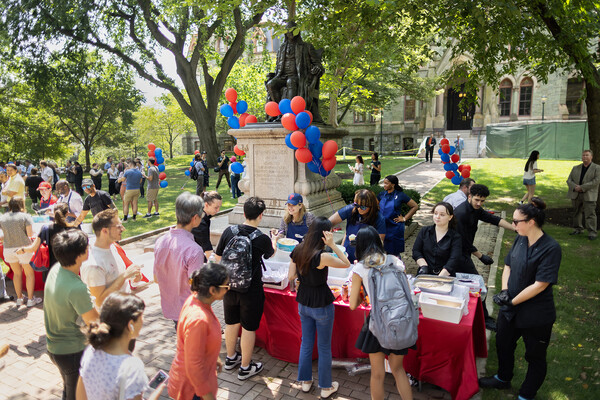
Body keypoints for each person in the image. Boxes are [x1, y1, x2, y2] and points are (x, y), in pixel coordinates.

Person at [479, 198, 561, 400]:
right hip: (510, 309)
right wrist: (506, 290)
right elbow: (508, 265)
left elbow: (540, 284)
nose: (513, 225)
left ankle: (526, 395)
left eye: (516, 222)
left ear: (531, 221)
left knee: (535, 356)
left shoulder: (551, 248)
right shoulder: (520, 238)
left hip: (535, 315)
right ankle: (503, 377)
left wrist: (512, 301)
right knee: (503, 343)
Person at [287, 217, 350, 398]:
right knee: (323, 347)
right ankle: (325, 387)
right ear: (325, 234)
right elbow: (346, 263)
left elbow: (291, 275)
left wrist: (302, 277)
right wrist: (333, 244)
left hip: (304, 301)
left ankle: (305, 381)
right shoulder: (322, 256)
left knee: (306, 343)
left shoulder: (298, 249)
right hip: (321, 303)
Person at [349, 226, 414, 400]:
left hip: (377, 322)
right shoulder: (395, 261)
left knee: (377, 374)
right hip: (400, 319)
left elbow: (352, 305)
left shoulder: (360, 268)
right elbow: (408, 292)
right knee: (398, 370)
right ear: (378, 242)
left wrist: (364, 295)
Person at [215, 197, 275, 381]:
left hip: (229, 287)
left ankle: (231, 358)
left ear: (244, 213)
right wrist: (274, 239)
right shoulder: (262, 238)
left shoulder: (229, 232)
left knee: (231, 323)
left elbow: (218, 258)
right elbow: (270, 254)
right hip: (251, 289)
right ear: (261, 216)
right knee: (249, 328)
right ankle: (245, 367)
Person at [43, 229, 99, 400]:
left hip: (55, 348)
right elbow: (94, 322)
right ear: (80, 254)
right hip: (72, 352)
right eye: (86, 247)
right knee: (77, 395)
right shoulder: (77, 288)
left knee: (70, 391)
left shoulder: (56, 269)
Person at [77, 293, 164, 400]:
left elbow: (80, 396)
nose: (143, 320)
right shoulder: (132, 367)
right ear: (130, 324)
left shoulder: (91, 350)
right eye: (141, 317)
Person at [454, 184, 516, 330]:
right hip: (456, 254)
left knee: (467, 286)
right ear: (469, 196)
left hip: (463, 252)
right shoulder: (461, 213)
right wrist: (480, 256)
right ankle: (484, 319)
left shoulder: (475, 209)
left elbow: (492, 219)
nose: (479, 204)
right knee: (479, 284)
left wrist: (514, 228)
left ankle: (473, 316)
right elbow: (463, 241)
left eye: (482, 201)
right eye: (476, 200)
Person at [168, 263, 230, 400]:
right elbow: (194, 365)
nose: (228, 289)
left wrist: (214, 357)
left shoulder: (194, 300)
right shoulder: (198, 320)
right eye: (226, 286)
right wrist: (207, 396)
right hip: (192, 390)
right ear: (213, 290)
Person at [154, 192, 205, 326]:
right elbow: (197, 287)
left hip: (171, 306)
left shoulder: (160, 241)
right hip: (190, 310)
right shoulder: (194, 250)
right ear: (195, 218)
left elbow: (156, 277)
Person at [80, 209, 142, 308]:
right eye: (118, 226)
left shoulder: (111, 246)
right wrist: (125, 276)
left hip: (124, 310)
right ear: (104, 231)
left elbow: (115, 278)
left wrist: (133, 278)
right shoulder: (93, 266)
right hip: (110, 319)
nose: (123, 229)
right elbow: (99, 302)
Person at [0, 197, 40, 307]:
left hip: (8, 249)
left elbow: (3, 235)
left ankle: (19, 298)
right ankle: (31, 299)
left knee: (17, 274)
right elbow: (30, 234)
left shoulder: (3, 218)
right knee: (29, 274)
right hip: (23, 249)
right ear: (21, 204)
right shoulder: (25, 217)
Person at [329, 189, 386, 263]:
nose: (359, 209)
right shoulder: (351, 209)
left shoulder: (379, 218)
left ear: (371, 206)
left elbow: (379, 243)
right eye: (356, 205)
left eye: (363, 207)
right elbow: (328, 222)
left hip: (366, 255)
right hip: (348, 252)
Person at [19, 203, 75, 271]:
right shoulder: (73, 229)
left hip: (51, 269)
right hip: (70, 267)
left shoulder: (46, 229)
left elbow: (33, 248)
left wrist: (22, 249)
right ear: (67, 213)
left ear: (54, 213)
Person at [412, 202, 463, 276]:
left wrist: (440, 277)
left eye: (442, 215)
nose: (437, 217)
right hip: (424, 274)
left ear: (450, 217)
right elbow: (416, 251)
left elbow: (454, 259)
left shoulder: (455, 237)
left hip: (445, 276)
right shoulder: (424, 231)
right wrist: (423, 266)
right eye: (435, 213)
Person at [377, 175, 419, 257]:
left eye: (386, 183)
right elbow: (376, 207)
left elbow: (415, 206)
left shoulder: (400, 195)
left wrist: (404, 218)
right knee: (380, 251)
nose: (384, 185)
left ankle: (398, 268)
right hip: (382, 227)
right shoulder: (381, 194)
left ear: (393, 184)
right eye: (384, 183)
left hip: (394, 228)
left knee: (394, 254)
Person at [566, 149, 600, 240]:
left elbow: (596, 181)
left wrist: (582, 187)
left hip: (589, 194)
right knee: (576, 212)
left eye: (587, 155)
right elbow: (569, 180)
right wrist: (575, 187)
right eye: (583, 155)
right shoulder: (575, 168)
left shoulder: (597, 168)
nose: (584, 157)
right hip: (576, 194)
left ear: (591, 157)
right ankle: (578, 229)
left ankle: (592, 233)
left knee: (590, 214)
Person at [192, 191, 222, 260]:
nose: (218, 210)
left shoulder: (200, 214)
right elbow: (209, 254)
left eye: (219, 207)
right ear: (206, 205)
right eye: (216, 207)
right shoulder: (200, 223)